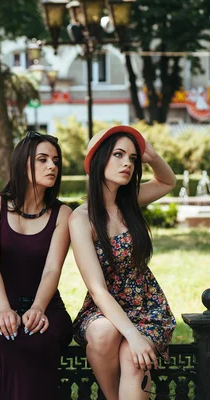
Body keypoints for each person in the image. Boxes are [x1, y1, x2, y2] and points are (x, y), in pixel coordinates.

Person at [71, 126, 176, 400]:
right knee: (105, 333)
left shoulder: (130, 201)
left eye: (132, 158)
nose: (128, 163)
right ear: (98, 160)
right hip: (103, 308)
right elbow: (97, 289)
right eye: (118, 155)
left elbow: (167, 181)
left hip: (146, 306)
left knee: (133, 357)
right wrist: (132, 334)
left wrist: (150, 155)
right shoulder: (82, 219)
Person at [0, 131, 73, 399]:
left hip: (48, 309)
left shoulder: (62, 214)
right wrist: (3, 310)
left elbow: (53, 269)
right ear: (22, 163)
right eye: (42, 159)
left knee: (35, 339)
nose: (52, 166)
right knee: (2, 340)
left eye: (55, 160)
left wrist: (38, 309)